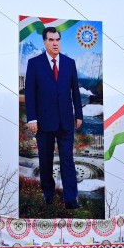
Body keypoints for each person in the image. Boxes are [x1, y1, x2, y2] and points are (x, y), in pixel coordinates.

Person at [24, 26, 83, 209]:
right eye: (51, 40)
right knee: (46, 161)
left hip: (66, 120)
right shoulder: (34, 64)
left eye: (57, 39)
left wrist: (79, 114)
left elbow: (75, 90)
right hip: (43, 122)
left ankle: (71, 199)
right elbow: (30, 93)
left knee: (68, 161)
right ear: (45, 42)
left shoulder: (69, 63)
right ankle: (48, 195)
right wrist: (32, 119)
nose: (55, 43)